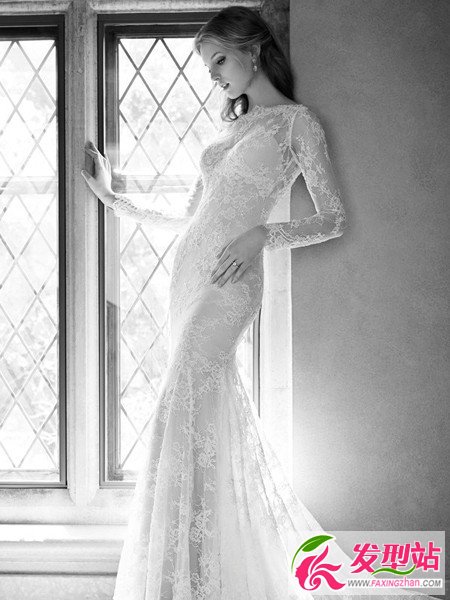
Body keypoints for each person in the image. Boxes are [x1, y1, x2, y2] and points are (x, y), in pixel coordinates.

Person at [82, 6, 427, 600]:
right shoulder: (227, 133)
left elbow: (333, 218)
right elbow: (192, 220)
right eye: (208, 67)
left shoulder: (297, 124)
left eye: (219, 60)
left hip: (233, 283)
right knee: (191, 412)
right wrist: (113, 199)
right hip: (189, 279)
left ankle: (199, 574)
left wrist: (262, 235)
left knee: (187, 398)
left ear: (252, 48)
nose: (214, 75)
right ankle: (192, 574)